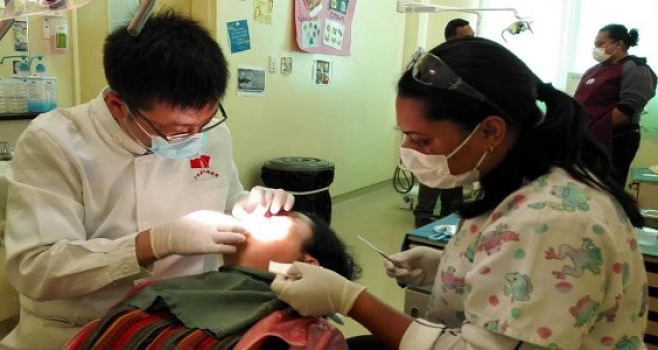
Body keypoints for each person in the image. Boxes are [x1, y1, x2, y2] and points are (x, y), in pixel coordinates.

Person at [270, 37, 648, 349]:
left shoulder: (550, 220)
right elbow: (515, 272)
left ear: (490, 131)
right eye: (404, 135)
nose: (409, 152)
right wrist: (448, 270)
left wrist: (351, 300)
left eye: (421, 139)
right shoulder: (522, 178)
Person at [0, 12, 295, 349]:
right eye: (178, 129)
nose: (195, 137)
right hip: (85, 323)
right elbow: (36, 268)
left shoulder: (211, 134)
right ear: (117, 105)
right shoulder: (55, 142)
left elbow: (226, 197)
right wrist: (153, 243)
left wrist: (246, 206)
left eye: (206, 120)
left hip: (187, 313)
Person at [63, 211, 359, 349]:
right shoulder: (164, 289)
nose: (255, 217)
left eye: (275, 220)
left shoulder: (301, 339)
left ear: (305, 265)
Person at [574, 24, 656, 186]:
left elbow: (628, 108)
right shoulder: (593, 70)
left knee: (606, 188)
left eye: (600, 44)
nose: (596, 49)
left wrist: (595, 129)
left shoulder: (636, 68)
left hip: (614, 140)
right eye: (595, 45)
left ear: (618, 44)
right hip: (586, 137)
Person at [413, 18, 472, 227]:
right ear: (452, 39)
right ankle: (420, 240)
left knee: (454, 197)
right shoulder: (434, 64)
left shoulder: (469, 63)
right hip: (435, 138)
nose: (472, 40)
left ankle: (449, 240)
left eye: (472, 36)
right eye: (467, 37)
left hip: (458, 139)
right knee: (429, 192)